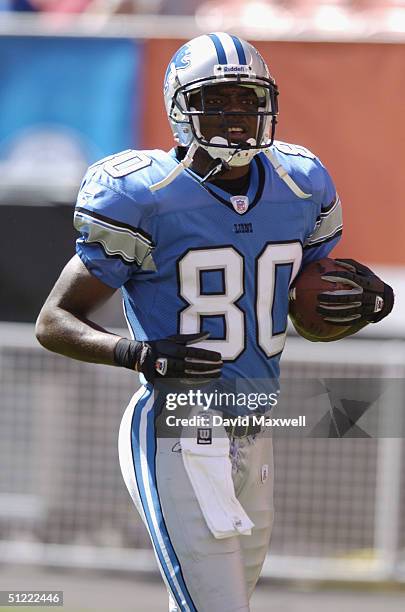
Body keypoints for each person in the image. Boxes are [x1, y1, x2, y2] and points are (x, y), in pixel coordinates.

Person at [36, 32, 393, 612]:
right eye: (219, 102)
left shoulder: (300, 184)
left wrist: (360, 301)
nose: (237, 117)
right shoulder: (144, 194)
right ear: (181, 111)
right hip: (179, 420)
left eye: (248, 101)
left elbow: (306, 304)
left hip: (256, 425)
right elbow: (54, 322)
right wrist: (139, 354)